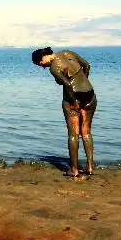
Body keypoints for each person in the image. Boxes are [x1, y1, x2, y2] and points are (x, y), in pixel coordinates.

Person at [32, 47, 97, 180]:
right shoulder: (68, 53)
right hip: (89, 93)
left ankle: (74, 170)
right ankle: (90, 167)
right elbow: (87, 65)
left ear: (44, 57)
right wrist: (84, 80)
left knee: (73, 134)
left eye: (39, 63)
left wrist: (74, 102)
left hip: (73, 97)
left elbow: (67, 85)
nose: (41, 66)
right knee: (86, 132)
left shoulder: (54, 68)